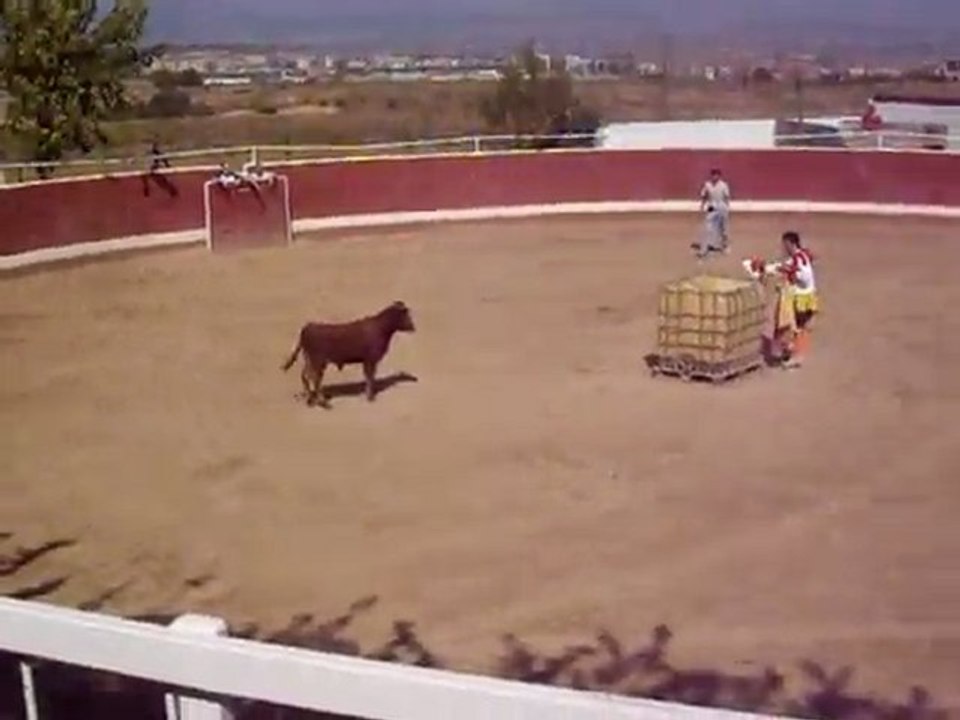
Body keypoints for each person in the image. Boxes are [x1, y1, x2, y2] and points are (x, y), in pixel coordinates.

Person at [772, 231, 819, 369]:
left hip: (802, 296)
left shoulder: (798, 259)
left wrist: (789, 272)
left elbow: (804, 278)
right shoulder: (800, 256)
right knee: (801, 327)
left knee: (798, 327)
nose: (783, 248)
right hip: (808, 295)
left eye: (785, 245)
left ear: (791, 244)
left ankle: (796, 356)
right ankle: (796, 353)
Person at [698, 168, 732, 256]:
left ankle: (725, 246)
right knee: (708, 226)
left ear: (719, 176)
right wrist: (702, 205)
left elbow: (727, 197)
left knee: (722, 228)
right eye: (713, 175)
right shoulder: (707, 184)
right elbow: (704, 195)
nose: (715, 177)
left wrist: (727, 208)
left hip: (721, 205)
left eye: (716, 175)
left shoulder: (724, 185)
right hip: (711, 206)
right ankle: (706, 247)